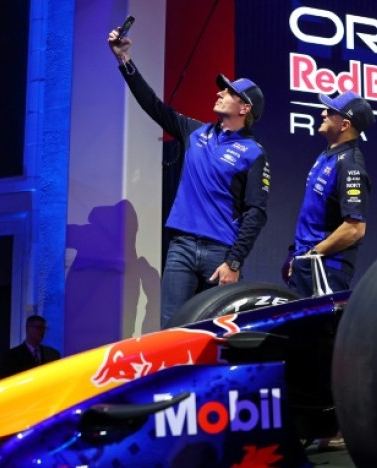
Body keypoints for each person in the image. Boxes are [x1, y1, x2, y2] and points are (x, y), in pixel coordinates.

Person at [108, 27, 271, 328]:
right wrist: (124, 59)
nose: (220, 92)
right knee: (171, 331)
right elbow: (152, 105)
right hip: (180, 247)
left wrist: (234, 262)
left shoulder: (253, 152)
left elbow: (256, 212)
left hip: (220, 253)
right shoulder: (195, 132)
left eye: (229, 92)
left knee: (217, 333)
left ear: (244, 108)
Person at [286, 91, 375, 297]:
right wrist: (296, 256)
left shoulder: (350, 164)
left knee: (320, 330)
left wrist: (313, 254)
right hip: (308, 263)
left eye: (330, 111)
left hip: (326, 268)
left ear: (344, 125)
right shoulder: (326, 155)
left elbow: (355, 229)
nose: (322, 113)